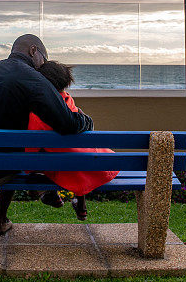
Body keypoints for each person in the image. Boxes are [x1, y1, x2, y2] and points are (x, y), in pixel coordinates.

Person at [0, 34, 93, 235]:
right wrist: (87, 121)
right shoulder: (33, 77)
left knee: (9, 146)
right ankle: (41, 191)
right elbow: (68, 123)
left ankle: (2, 219)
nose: (42, 66)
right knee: (17, 155)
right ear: (33, 51)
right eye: (43, 59)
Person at [27, 60, 119, 221]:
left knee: (43, 158)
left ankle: (48, 192)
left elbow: (31, 148)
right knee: (77, 155)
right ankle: (80, 203)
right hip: (89, 164)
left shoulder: (37, 112)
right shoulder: (69, 102)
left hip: (63, 168)